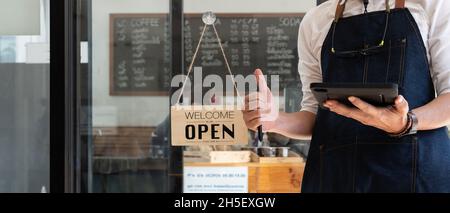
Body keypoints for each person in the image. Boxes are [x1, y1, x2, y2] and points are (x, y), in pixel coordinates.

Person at [243, 0, 450, 192]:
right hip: (334, 176)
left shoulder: (432, 5)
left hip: (414, 175)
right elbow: (316, 114)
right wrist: (276, 120)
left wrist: (407, 122)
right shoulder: (315, 21)